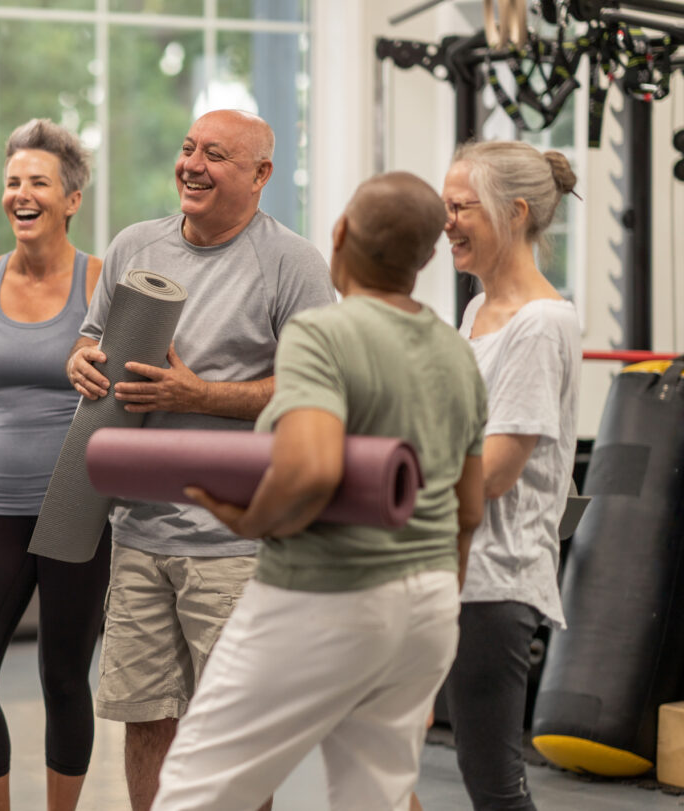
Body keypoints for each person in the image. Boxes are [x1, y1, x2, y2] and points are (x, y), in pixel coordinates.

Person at [150, 171, 489, 811]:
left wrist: (253, 520)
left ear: (339, 236)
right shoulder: (454, 351)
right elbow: (468, 510)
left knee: (196, 791)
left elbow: (309, 468)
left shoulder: (324, 334)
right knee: (376, 798)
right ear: (425, 260)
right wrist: (434, 608)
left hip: (327, 592)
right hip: (429, 603)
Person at [66, 108, 335, 811]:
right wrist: (83, 363)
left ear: (260, 175)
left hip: (237, 542)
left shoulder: (293, 263)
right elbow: (92, 338)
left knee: (235, 732)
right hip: (138, 533)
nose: (192, 164)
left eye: (215, 154)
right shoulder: (134, 247)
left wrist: (201, 394)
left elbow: (316, 389)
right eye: (187, 148)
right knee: (147, 716)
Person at [0, 119, 110, 811]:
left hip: (77, 507)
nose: (21, 193)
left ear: (71, 198)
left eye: (38, 181)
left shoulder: (103, 282)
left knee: (65, 677)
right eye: (13, 182)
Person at [441, 141, 581, 810]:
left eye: (463, 207)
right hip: (457, 565)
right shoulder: (474, 313)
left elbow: (494, 471)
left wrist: (391, 477)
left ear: (516, 212)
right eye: (447, 207)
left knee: (494, 781)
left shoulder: (541, 323)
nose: (449, 223)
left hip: (497, 577)